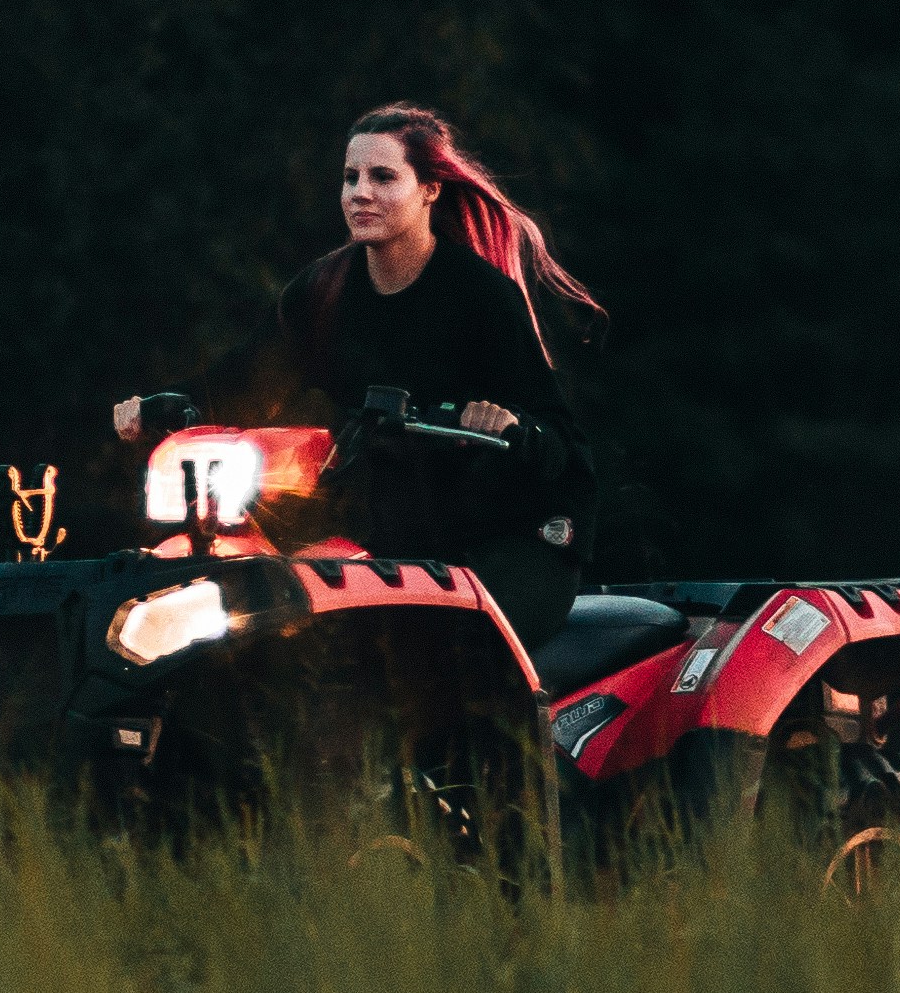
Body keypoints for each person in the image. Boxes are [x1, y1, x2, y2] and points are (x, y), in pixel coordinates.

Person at [119, 105, 605, 633]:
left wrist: (509, 426)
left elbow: (559, 441)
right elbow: (241, 382)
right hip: (398, 534)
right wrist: (158, 407)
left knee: (454, 656)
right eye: (351, 177)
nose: (360, 192)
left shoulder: (480, 297)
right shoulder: (324, 291)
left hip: (512, 537)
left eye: (383, 177)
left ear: (430, 189)